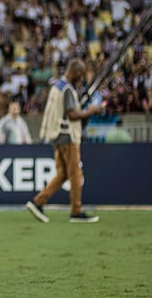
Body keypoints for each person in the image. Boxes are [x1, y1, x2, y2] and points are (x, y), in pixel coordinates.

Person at [25, 59, 105, 224]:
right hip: (67, 135)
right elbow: (72, 115)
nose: (81, 78)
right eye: (81, 74)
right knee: (76, 174)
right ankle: (76, 212)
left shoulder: (57, 86)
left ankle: (38, 202)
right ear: (75, 72)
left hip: (56, 135)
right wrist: (91, 111)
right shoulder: (67, 89)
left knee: (63, 174)